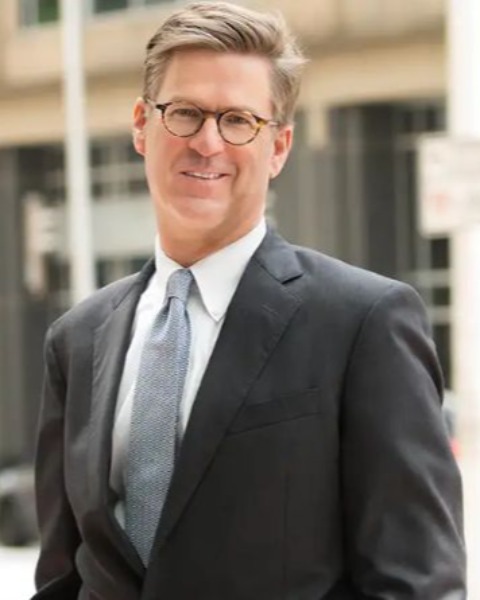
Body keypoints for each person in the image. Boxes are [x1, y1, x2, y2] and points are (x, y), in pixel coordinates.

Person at [33, 2, 466, 599]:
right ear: (141, 124)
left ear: (280, 146)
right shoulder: (78, 339)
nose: (207, 142)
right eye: (185, 113)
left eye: (239, 120)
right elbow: (63, 575)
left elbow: (417, 582)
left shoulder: (362, 323)